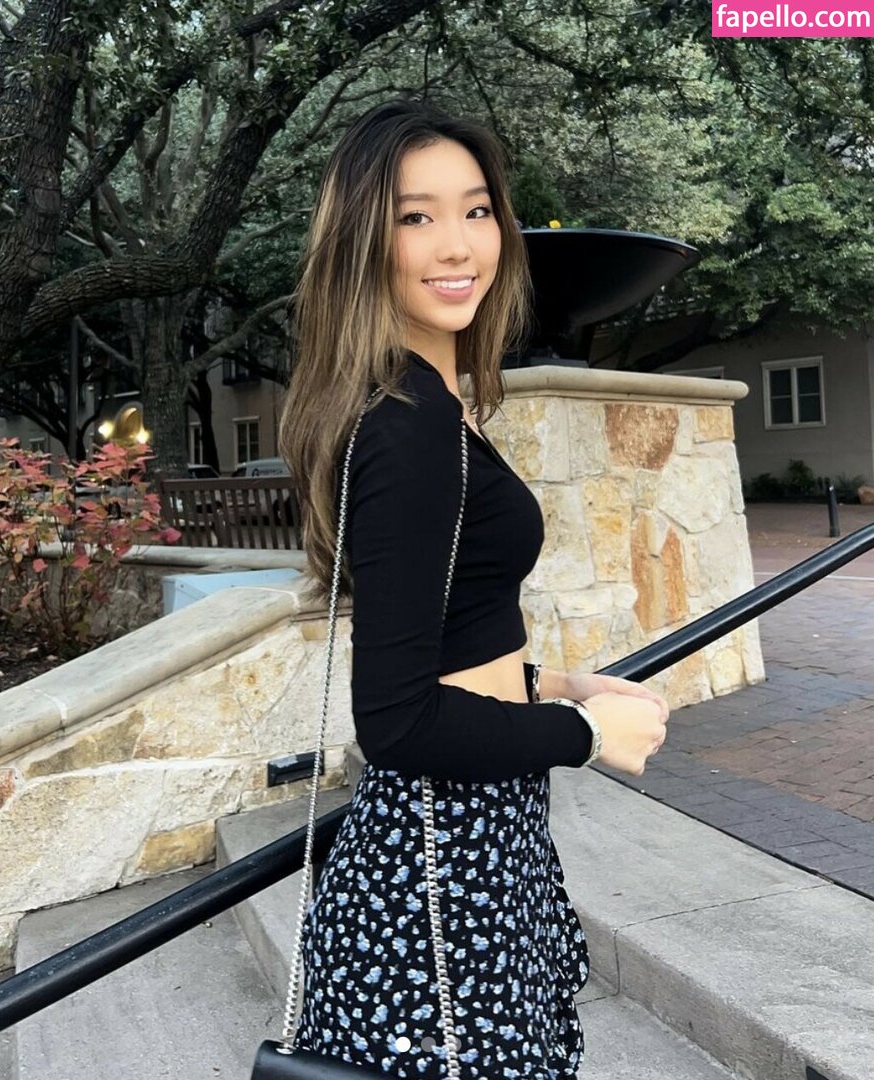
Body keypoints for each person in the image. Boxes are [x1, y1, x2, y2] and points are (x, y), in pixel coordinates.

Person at [278, 97, 669, 1079]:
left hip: (472, 842)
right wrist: (585, 735)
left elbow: (449, 637)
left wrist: (555, 688)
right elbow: (398, 723)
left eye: (477, 209)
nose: (456, 245)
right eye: (415, 216)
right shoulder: (407, 424)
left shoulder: (426, 400)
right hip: (442, 870)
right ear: (365, 241)